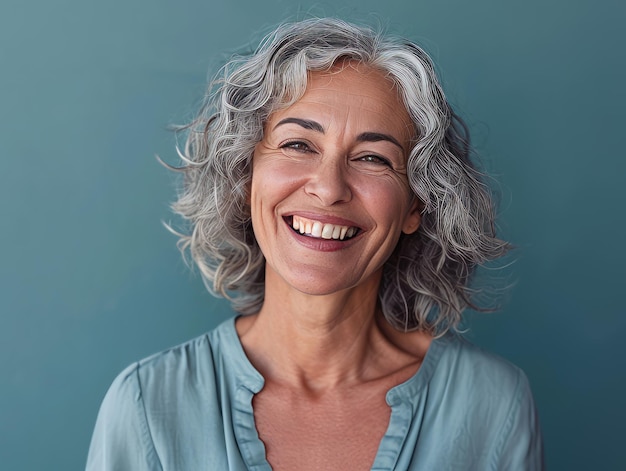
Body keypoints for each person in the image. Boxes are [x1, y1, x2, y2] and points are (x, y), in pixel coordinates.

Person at [86, 18, 543, 470]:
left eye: (372, 158)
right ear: (245, 178)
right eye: (298, 145)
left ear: (415, 206)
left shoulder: (493, 407)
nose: (328, 188)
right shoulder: (147, 407)